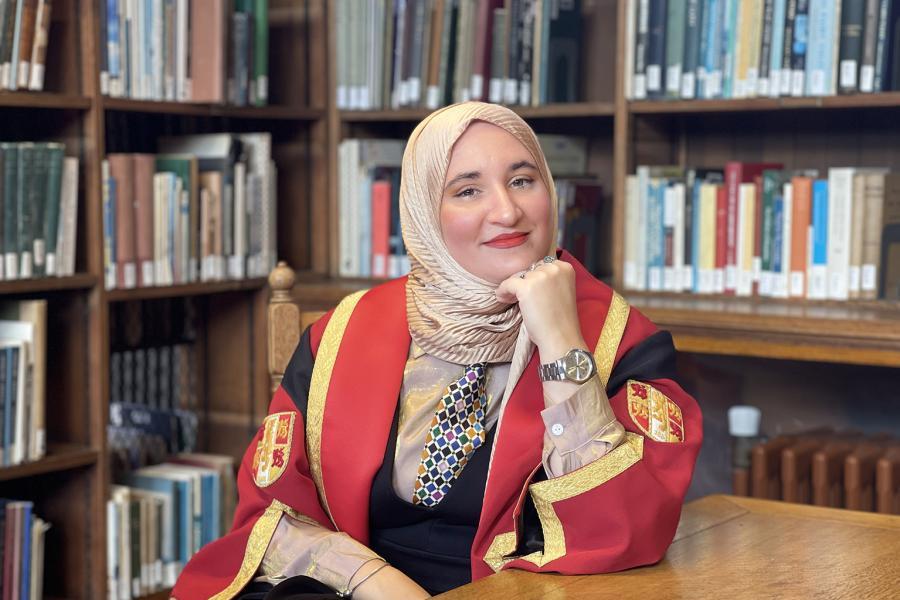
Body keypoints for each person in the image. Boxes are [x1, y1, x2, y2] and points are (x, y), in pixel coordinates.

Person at [171, 102, 702, 600]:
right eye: (467, 191)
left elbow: (626, 527)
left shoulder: (623, 339)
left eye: (523, 180)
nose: (507, 210)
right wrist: (372, 579)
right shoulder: (341, 334)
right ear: (425, 211)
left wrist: (563, 341)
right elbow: (273, 510)